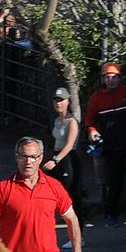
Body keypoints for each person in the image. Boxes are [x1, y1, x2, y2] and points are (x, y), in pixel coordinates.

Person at [84, 62, 126, 227]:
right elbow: (89, 120)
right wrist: (92, 131)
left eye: (114, 77)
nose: (111, 80)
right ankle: (111, 215)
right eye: (108, 77)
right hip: (111, 147)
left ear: (120, 78)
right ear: (103, 79)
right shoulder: (96, 98)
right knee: (114, 181)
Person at [42, 87, 85, 241]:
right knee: (52, 194)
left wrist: (56, 160)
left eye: (61, 100)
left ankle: (78, 235)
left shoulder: (72, 121)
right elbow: (55, 142)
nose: (58, 103)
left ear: (68, 101)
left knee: (72, 196)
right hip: (56, 157)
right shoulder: (56, 121)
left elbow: (69, 145)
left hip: (68, 159)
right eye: (56, 100)